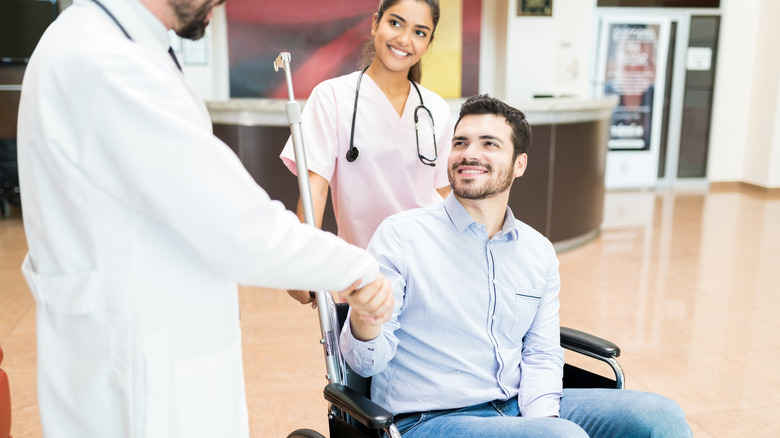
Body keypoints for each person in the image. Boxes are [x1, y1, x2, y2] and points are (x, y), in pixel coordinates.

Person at [16, 0, 393, 437]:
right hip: (139, 376)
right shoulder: (106, 63)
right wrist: (356, 270)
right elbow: (237, 227)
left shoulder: (98, 41)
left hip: (131, 347)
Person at [341, 95, 692, 437]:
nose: (469, 153)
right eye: (460, 142)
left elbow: (541, 353)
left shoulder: (537, 251)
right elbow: (364, 364)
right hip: (430, 420)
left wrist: (541, 420)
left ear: (519, 164)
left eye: (489, 143)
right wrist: (365, 318)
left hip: (516, 404)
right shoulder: (403, 236)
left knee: (661, 418)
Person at [281, 0, 453, 305]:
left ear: (428, 43)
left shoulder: (436, 109)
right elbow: (314, 190)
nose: (404, 40)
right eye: (395, 23)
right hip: (362, 274)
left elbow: (443, 196)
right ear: (376, 23)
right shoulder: (332, 97)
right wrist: (301, 259)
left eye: (419, 32)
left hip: (429, 270)